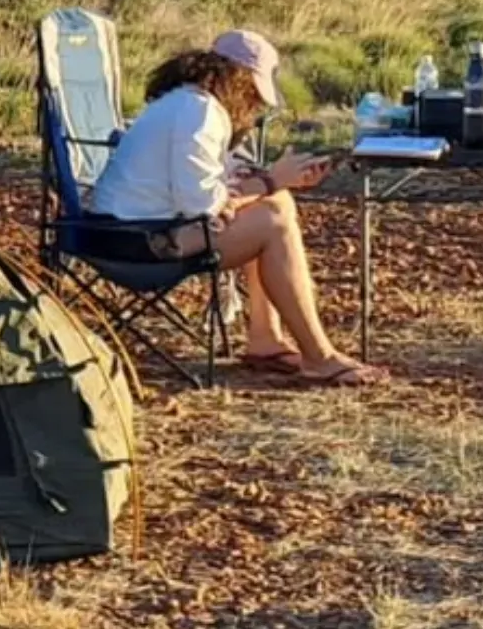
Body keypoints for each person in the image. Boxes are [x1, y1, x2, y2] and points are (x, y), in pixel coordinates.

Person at [88, 29, 384, 386]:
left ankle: (266, 338)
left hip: (132, 227)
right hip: (137, 240)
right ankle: (318, 356)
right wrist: (271, 180)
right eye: (255, 97)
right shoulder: (199, 111)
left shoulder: (186, 103)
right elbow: (203, 204)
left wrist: (262, 181)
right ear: (238, 81)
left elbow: (201, 182)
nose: (255, 108)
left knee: (277, 203)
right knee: (273, 215)